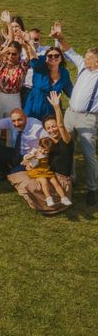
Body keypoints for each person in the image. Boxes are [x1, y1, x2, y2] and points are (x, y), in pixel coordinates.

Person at [8, 91, 74, 214]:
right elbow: (42, 157)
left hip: (61, 181)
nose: (52, 130)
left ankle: (56, 200)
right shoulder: (47, 142)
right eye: (48, 128)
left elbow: (60, 125)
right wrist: (30, 163)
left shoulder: (66, 140)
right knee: (24, 179)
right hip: (48, 174)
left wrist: (56, 107)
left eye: (53, 126)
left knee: (35, 186)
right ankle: (47, 200)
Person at [55, 23, 98, 205]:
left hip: (88, 118)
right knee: (66, 147)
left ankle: (93, 188)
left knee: (89, 154)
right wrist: (59, 37)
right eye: (86, 57)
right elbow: (70, 51)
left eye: (89, 58)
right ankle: (70, 178)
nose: (85, 59)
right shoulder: (82, 66)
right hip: (70, 114)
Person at [0, 107, 46, 180]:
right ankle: (5, 174)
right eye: (14, 121)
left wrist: (33, 161)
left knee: (14, 174)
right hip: (16, 154)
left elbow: (47, 144)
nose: (16, 124)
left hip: (31, 158)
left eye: (19, 120)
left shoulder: (37, 125)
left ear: (26, 117)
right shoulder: (11, 121)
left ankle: (20, 174)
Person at [23, 45, 72, 120]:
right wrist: (28, 44)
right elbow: (33, 60)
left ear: (61, 58)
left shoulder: (64, 73)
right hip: (34, 107)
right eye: (50, 56)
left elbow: (70, 91)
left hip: (51, 111)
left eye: (56, 55)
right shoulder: (40, 68)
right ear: (46, 59)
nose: (53, 57)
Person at [21, 137, 72, 207]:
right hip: (36, 171)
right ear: (38, 146)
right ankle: (48, 198)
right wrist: (33, 156)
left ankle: (63, 197)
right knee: (44, 181)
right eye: (41, 148)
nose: (43, 151)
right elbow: (27, 159)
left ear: (49, 150)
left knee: (55, 182)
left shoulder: (48, 154)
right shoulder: (35, 151)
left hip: (46, 170)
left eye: (46, 151)